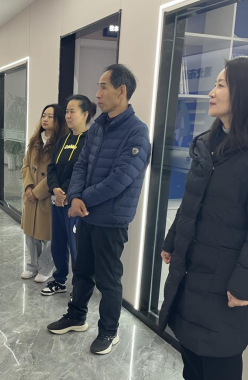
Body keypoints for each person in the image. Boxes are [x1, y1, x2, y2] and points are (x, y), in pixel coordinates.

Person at [154, 57, 248, 380]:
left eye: (221, 85)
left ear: (247, 93)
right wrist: (172, 240)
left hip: (226, 273)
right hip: (192, 261)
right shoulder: (208, 141)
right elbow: (191, 201)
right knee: (187, 332)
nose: (211, 93)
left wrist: (244, 286)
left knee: (220, 349)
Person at [47, 64, 151, 355]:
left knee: (108, 278)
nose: (97, 94)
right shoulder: (98, 127)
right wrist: (75, 197)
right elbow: (81, 165)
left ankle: (109, 331)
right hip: (87, 213)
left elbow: (120, 179)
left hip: (111, 218)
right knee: (82, 270)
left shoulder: (137, 132)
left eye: (103, 87)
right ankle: (76, 316)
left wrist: (82, 200)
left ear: (121, 91)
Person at [42, 95, 97, 296]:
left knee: (76, 247)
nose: (67, 115)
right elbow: (52, 168)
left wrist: (64, 192)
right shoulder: (63, 141)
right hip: (58, 201)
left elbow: (83, 172)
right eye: (66, 111)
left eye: (72, 111)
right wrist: (55, 188)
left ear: (85, 114)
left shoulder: (91, 142)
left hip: (74, 202)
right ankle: (59, 280)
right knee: (58, 243)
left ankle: (79, 286)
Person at [21, 104, 67, 283]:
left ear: (58, 120)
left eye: (50, 116)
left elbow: (56, 173)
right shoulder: (35, 140)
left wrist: (37, 192)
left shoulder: (61, 143)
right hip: (30, 196)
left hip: (46, 196)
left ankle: (46, 267)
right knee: (30, 234)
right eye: (44, 115)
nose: (45, 119)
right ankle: (32, 266)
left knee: (48, 236)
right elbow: (26, 165)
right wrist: (28, 187)